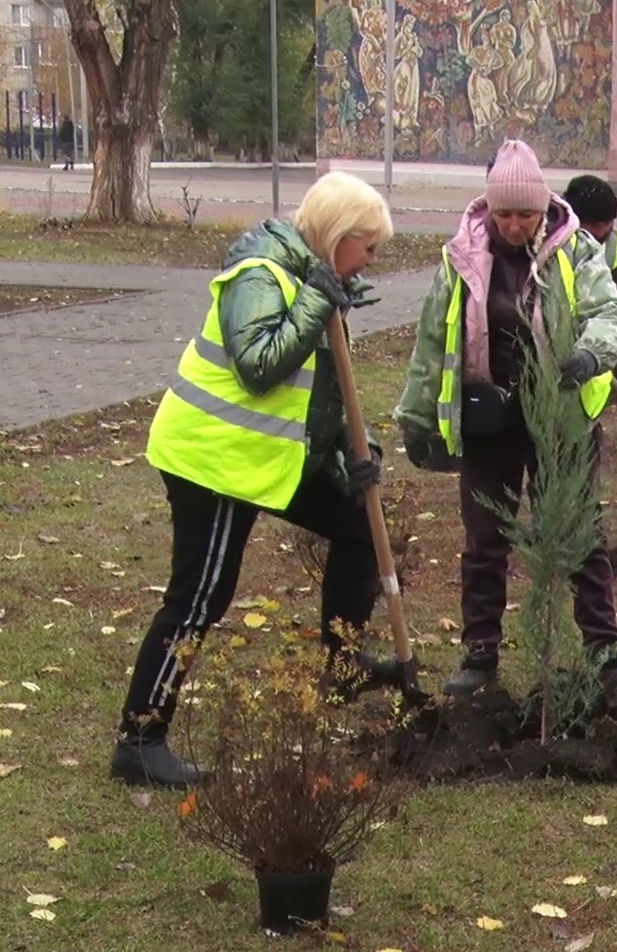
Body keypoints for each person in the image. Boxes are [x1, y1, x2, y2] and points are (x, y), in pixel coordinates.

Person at [112, 171, 404, 789]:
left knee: (356, 524)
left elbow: (326, 389)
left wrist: (358, 452)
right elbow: (261, 368)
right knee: (200, 596)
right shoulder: (262, 274)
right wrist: (318, 301)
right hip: (212, 460)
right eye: (368, 247)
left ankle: (342, 668)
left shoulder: (314, 280)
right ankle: (140, 738)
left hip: (263, 459)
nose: (372, 260)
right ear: (337, 237)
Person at [392, 140, 617, 696]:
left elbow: (610, 311)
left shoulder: (573, 250)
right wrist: (417, 417)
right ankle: (480, 655)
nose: (516, 225)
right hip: (489, 419)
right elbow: (433, 342)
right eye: (505, 214)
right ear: (490, 208)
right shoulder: (462, 257)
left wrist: (592, 353)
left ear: (543, 206)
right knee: (484, 537)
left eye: (526, 214)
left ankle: (605, 647)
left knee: (578, 530)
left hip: (562, 418)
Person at [562, 174, 617, 412]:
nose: (601, 233)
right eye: (594, 226)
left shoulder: (616, 247)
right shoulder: (551, 241)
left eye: (607, 224)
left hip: (592, 376)